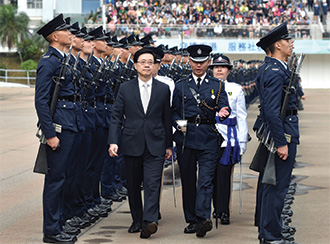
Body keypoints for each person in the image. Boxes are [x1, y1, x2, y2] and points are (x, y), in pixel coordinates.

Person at [108, 48, 173, 239]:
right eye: (143, 62)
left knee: (153, 184)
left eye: (150, 62)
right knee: (134, 185)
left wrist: (168, 145)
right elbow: (116, 117)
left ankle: (149, 222)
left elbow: (166, 119)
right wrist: (113, 141)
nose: (146, 65)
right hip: (131, 143)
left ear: (154, 66)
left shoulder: (163, 89)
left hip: (156, 144)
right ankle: (137, 219)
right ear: (135, 65)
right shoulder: (125, 88)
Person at [172, 44, 231, 238]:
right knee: (188, 181)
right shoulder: (180, 84)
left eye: (202, 62)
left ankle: (204, 218)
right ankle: (192, 220)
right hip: (186, 138)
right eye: (195, 62)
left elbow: (224, 107)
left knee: (205, 181)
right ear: (189, 62)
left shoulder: (217, 85)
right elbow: (173, 111)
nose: (199, 66)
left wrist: (223, 113)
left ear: (208, 62)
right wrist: (181, 127)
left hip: (208, 138)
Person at [253, 22, 299, 244]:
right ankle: (270, 235)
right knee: (276, 186)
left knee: (271, 183)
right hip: (281, 133)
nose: (291, 43)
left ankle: (269, 230)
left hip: (281, 130)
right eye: (288, 40)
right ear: (278, 44)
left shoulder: (276, 67)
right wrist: (281, 142)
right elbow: (272, 111)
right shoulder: (274, 70)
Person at [35, 13, 78, 243]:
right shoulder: (49, 61)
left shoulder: (63, 59)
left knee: (64, 177)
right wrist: (50, 133)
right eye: (65, 31)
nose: (70, 34)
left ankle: (59, 224)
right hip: (59, 127)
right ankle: (51, 231)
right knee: (55, 180)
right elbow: (41, 101)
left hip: (69, 123)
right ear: (54, 36)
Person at [210, 54, 249, 225]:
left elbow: (241, 116)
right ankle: (213, 208)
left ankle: (223, 210)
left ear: (228, 70)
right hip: (209, 136)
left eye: (223, 67)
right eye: (216, 67)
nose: (219, 70)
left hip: (228, 138)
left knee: (224, 176)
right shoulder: (205, 88)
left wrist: (242, 143)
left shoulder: (236, 88)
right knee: (209, 176)